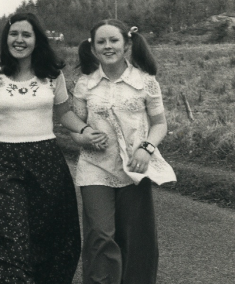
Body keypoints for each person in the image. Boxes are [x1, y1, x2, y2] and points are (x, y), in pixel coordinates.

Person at [0, 13, 105, 284]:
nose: (19, 40)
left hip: (46, 158)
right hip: (6, 160)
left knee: (52, 233)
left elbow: (65, 114)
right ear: (6, 38)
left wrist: (84, 130)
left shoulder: (51, 75)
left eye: (26, 35)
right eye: (14, 34)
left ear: (37, 40)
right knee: (11, 236)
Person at [71, 19, 176, 284]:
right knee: (100, 234)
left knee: (135, 237)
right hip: (95, 168)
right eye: (101, 42)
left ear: (126, 44)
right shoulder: (84, 84)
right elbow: (74, 128)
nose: (108, 46)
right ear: (93, 48)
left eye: (113, 40)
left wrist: (146, 149)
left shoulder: (146, 82)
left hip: (134, 168)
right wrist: (84, 136)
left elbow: (160, 124)